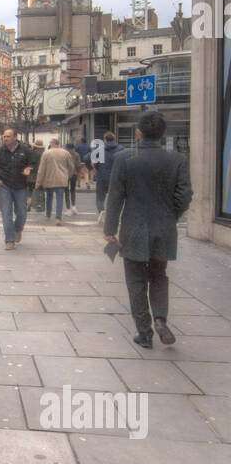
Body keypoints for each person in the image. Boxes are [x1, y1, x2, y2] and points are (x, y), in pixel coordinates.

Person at [103, 111, 193, 349]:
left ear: (139, 133)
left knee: (135, 281)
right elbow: (184, 196)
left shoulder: (124, 159)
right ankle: (161, 319)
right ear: (163, 133)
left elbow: (115, 198)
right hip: (164, 229)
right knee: (159, 275)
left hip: (133, 228)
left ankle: (144, 332)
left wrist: (110, 229)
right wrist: (171, 215)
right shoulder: (177, 160)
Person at [0, 126, 37, 249]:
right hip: (4, 185)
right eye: (4, 136)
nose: (5, 139)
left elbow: (34, 162)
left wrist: (29, 168)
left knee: (22, 213)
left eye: (8, 136)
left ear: (15, 137)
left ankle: (18, 229)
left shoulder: (25, 150)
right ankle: (9, 240)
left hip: (21, 186)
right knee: (6, 213)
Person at [35, 138, 75, 225]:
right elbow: (71, 167)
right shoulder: (66, 153)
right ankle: (58, 218)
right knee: (60, 198)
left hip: (49, 179)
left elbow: (41, 170)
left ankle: (48, 214)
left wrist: (38, 182)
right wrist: (68, 176)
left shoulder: (46, 153)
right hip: (61, 179)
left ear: (52, 143)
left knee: (49, 198)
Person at [92, 131, 124, 220]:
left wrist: (94, 168)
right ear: (114, 139)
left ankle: (102, 214)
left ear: (105, 140)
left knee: (100, 198)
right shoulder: (121, 149)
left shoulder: (99, 149)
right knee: (114, 198)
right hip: (115, 177)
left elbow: (87, 158)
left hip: (101, 177)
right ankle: (113, 216)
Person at [26, 139, 45, 214]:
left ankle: (29, 204)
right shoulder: (44, 154)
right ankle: (38, 206)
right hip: (40, 175)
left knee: (30, 191)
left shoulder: (31, 153)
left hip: (31, 175)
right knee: (39, 191)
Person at [64, 141, 84, 212]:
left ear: (66, 148)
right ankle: (73, 206)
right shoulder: (76, 155)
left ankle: (68, 208)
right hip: (74, 174)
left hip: (65, 175)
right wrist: (79, 173)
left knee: (66, 191)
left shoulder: (64, 154)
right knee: (73, 190)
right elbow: (78, 165)